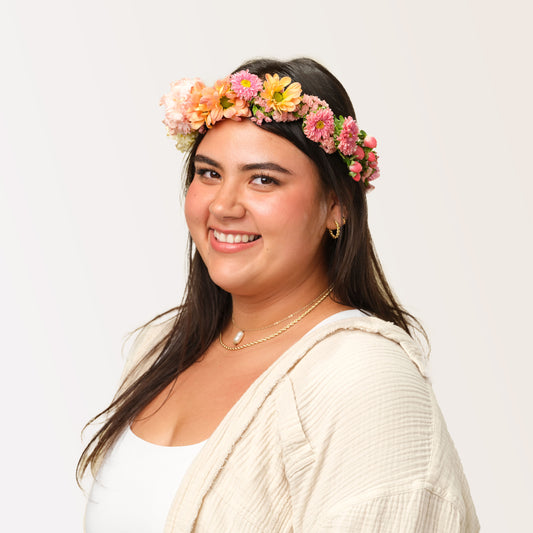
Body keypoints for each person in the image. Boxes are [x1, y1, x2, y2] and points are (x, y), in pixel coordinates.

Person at [79, 57, 480, 532]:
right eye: (209, 173)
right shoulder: (163, 347)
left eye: (263, 179)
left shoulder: (364, 378)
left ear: (336, 206)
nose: (224, 205)